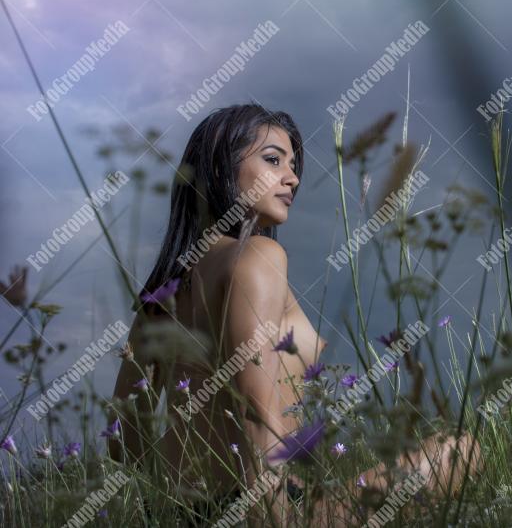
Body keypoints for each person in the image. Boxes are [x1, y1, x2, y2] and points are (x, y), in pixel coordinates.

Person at [108, 104, 480, 526]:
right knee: (458, 449)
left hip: (180, 512)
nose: (293, 177)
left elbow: (122, 435)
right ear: (219, 167)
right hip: (265, 511)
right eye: (272, 160)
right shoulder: (259, 257)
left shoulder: (161, 295)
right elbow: (256, 408)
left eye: (293, 163)